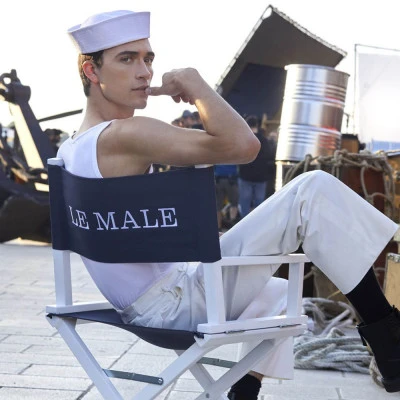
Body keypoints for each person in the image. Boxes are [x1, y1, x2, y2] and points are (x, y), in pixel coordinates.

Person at [58, 10, 400, 399]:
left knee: (275, 291)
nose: (145, 72)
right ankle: (388, 335)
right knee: (311, 190)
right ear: (91, 70)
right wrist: (196, 85)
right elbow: (244, 146)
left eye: (148, 58)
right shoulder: (125, 135)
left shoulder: (70, 149)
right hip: (173, 306)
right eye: (127, 59)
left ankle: (243, 393)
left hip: (148, 304)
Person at [238, 115, 274, 216]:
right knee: (259, 205)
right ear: (257, 125)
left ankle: (243, 224)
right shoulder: (264, 140)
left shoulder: (244, 139)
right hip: (260, 177)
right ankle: (257, 224)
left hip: (245, 176)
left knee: (244, 203)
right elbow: (269, 155)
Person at [214, 163, 240, 229]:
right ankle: (233, 226)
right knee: (234, 204)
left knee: (218, 206)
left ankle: (218, 228)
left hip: (218, 180)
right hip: (231, 180)